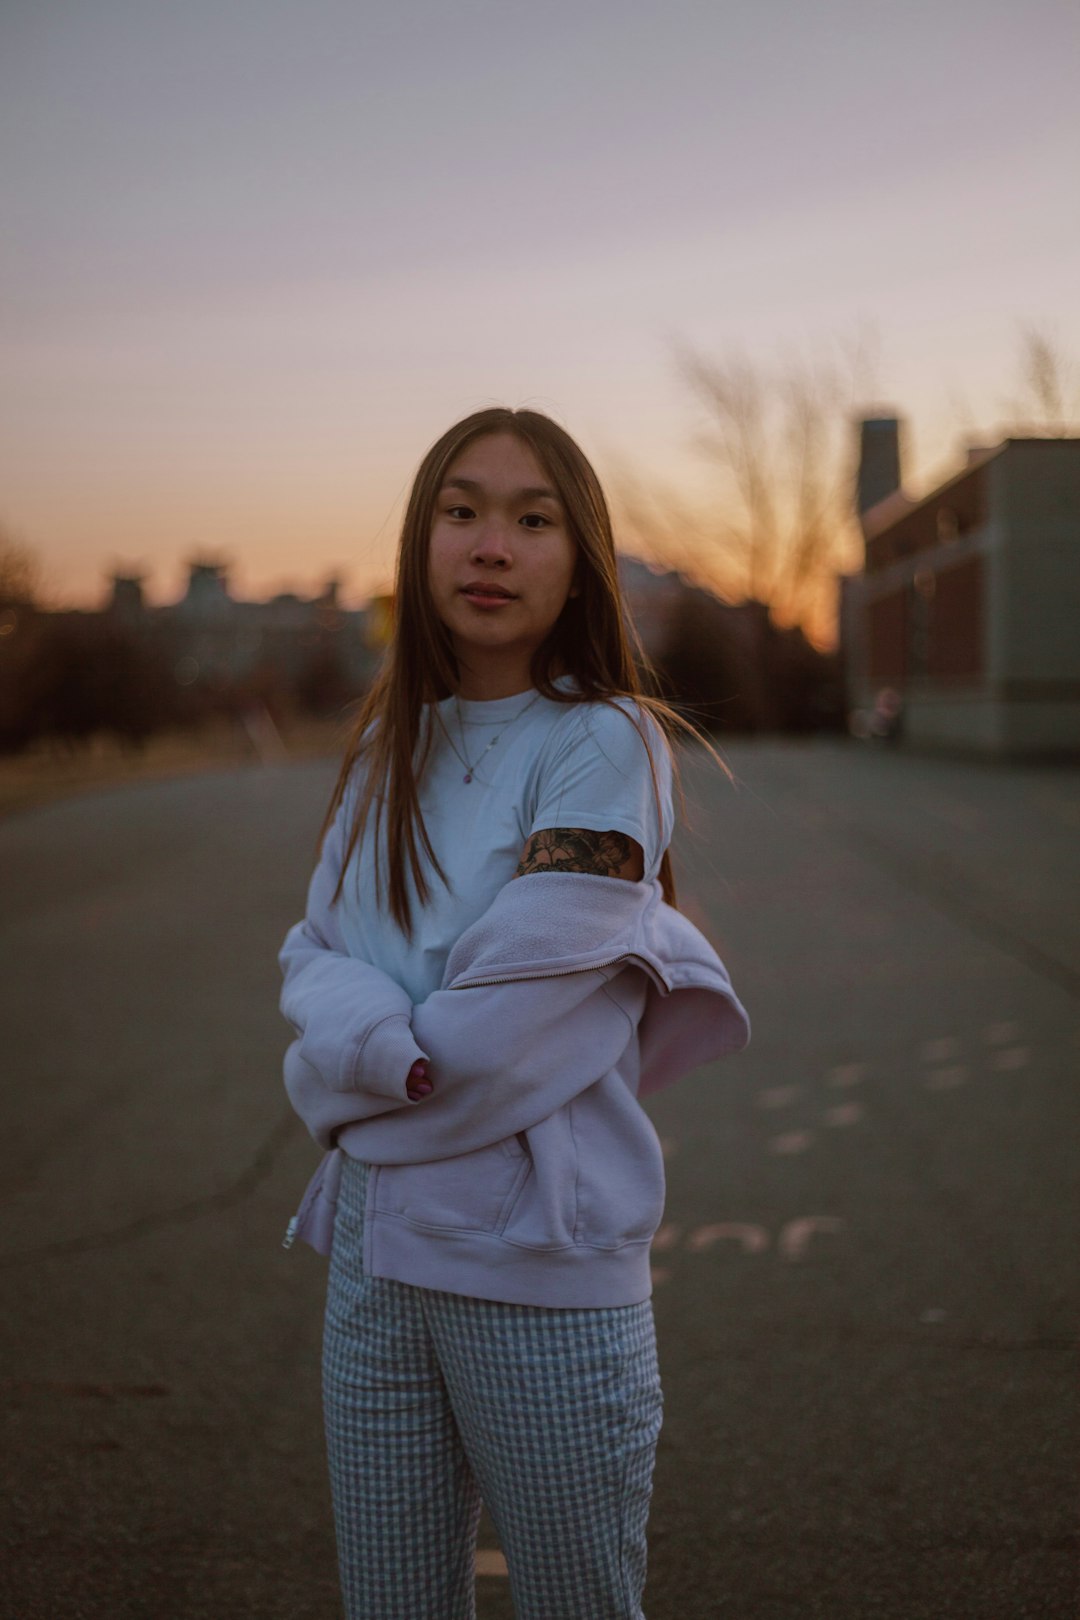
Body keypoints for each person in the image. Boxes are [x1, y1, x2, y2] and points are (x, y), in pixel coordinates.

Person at [278, 406, 751, 1620]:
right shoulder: (393, 742)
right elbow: (312, 956)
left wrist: (357, 1083)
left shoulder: (603, 741)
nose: (493, 545)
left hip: (534, 1261)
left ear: (577, 558)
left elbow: (505, 1024)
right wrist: (384, 1051)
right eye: (463, 510)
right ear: (421, 542)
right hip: (374, 1257)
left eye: (532, 520)